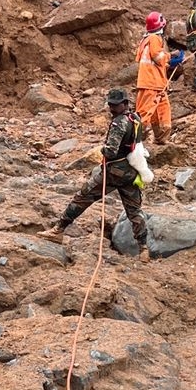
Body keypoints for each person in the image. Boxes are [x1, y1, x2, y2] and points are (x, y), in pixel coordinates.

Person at [48, 86, 151, 261]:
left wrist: (101, 148)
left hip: (113, 172)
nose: (111, 108)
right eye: (110, 104)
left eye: (115, 105)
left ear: (124, 104)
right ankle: (144, 249)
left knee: (82, 197)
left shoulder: (119, 122)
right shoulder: (135, 118)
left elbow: (110, 152)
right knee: (134, 211)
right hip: (131, 172)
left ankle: (58, 230)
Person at [135, 12, 173, 144]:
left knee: (162, 112)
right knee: (144, 114)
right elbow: (158, 57)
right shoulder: (154, 39)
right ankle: (133, 142)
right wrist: (170, 56)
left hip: (156, 83)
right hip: (151, 83)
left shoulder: (145, 40)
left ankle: (161, 138)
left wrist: (167, 64)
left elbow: (152, 62)